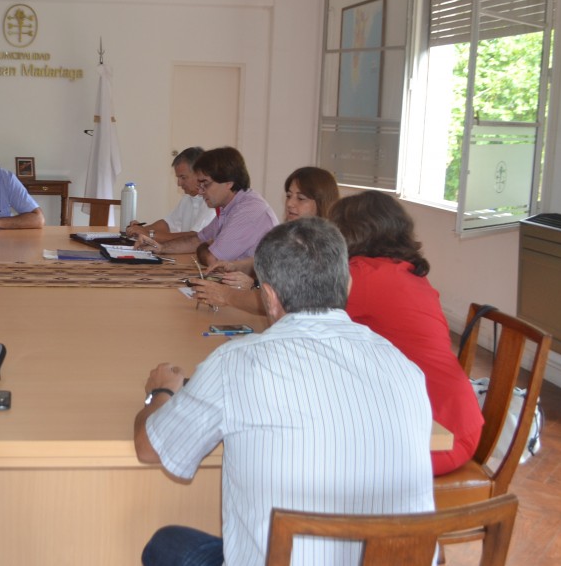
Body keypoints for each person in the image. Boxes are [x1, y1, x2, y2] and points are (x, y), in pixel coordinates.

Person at [134, 218, 434, 565]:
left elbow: (151, 448)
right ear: (347, 284)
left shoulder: (238, 361)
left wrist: (162, 392)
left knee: (167, 543)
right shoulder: (403, 365)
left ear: (269, 297)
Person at [330, 190, 484, 476]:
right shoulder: (401, 270)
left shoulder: (363, 276)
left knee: (321, 450)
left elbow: (299, 315)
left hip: (437, 435)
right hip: (452, 420)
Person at [190, 166, 340, 312]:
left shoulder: (323, 247)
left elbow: (281, 301)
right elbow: (272, 263)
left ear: (321, 202)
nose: (290, 204)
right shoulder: (293, 235)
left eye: (300, 198)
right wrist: (237, 266)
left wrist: (233, 292)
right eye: (288, 196)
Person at [137, 146, 277, 266]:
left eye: (206, 184)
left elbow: (213, 258)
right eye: (200, 184)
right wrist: (160, 248)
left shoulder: (248, 211)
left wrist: (204, 247)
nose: (201, 190)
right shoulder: (228, 207)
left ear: (229, 182)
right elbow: (198, 239)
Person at [125, 147, 215, 243]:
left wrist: (149, 234)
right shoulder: (187, 198)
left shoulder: (212, 201)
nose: (179, 183)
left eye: (183, 177)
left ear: (199, 174)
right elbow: (168, 224)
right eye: (178, 177)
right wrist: (141, 229)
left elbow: (194, 237)